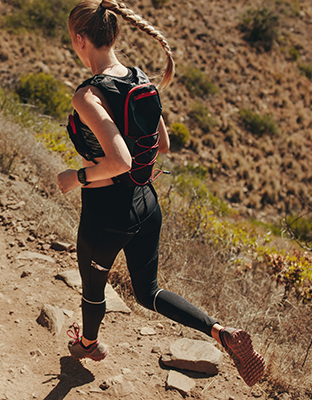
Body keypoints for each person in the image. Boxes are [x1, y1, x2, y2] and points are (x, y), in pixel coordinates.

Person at [57, 0, 265, 387]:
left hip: (106, 215)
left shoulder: (88, 95)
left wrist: (76, 176)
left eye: (73, 39)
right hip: (146, 205)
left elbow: (118, 161)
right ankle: (220, 332)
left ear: (80, 39)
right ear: (114, 34)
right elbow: (162, 144)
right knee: (148, 291)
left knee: (93, 289)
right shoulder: (140, 79)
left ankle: (88, 343)